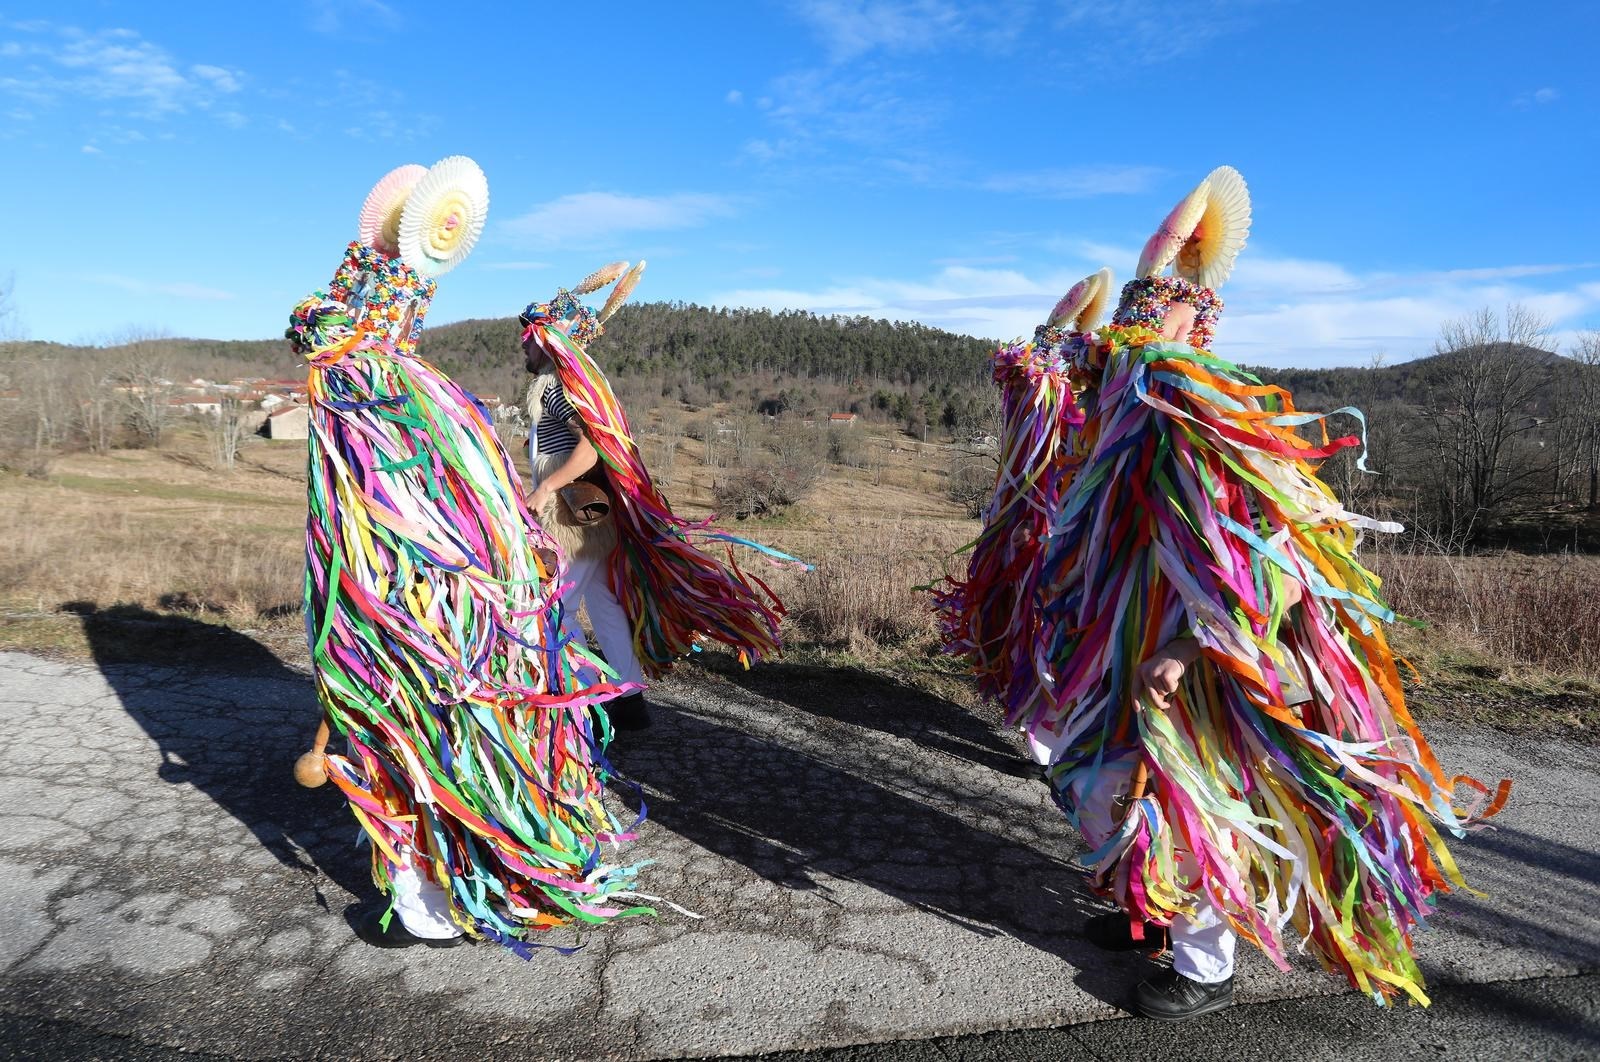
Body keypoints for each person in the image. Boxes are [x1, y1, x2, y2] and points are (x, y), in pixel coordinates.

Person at [954, 166, 1510, 1019]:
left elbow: (1280, 571)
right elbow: (1058, 382)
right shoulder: (1120, 449)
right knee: (1101, 784)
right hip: (1120, 660)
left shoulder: (1214, 447)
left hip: (1200, 671)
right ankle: (1150, 917)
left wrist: (1184, 648)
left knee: (1187, 804)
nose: (1105, 393)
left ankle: (1205, 969)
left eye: (1122, 377)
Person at [289, 159, 650, 953]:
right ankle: (455, 879)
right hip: (431, 597)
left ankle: (434, 894)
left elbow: (414, 507)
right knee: (435, 725)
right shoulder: (401, 388)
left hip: (427, 599)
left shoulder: (381, 389)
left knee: (418, 729)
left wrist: (502, 537)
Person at [515, 265, 807, 707]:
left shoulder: (554, 391)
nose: (523, 352)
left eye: (528, 343)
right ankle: (630, 699)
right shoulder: (567, 390)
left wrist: (543, 488)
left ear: (545, 343)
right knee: (606, 607)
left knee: (557, 606)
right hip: (591, 519)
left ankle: (590, 698)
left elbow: (591, 450)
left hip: (568, 521)